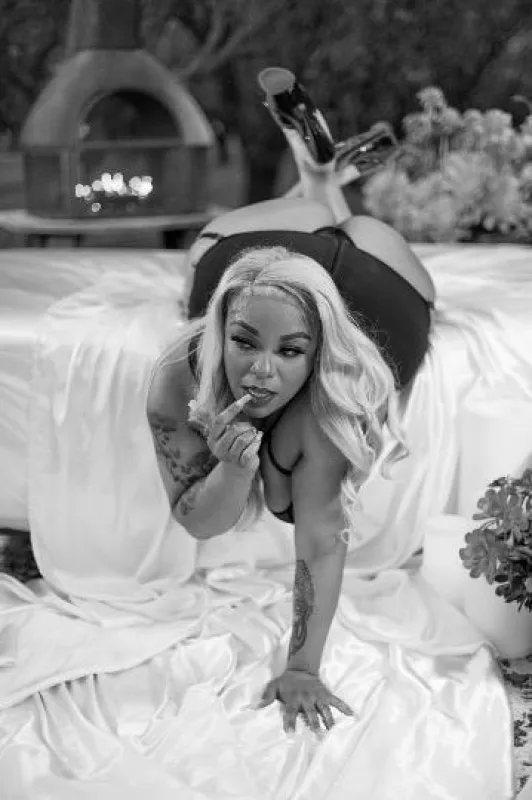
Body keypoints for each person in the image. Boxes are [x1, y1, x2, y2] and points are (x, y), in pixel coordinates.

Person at [146, 245, 408, 736]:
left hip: (381, 281)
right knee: (220, 249)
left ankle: (330, 206)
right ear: (221, 331)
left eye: (289, 351)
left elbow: (322, 540)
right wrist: (233, 469)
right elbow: (196, 519)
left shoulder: (336, 387)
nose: (262, 371)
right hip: (244, 254)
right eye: (244, 343)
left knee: (357, 234)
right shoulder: (178, 376)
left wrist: (303, 669)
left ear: (317, 353)